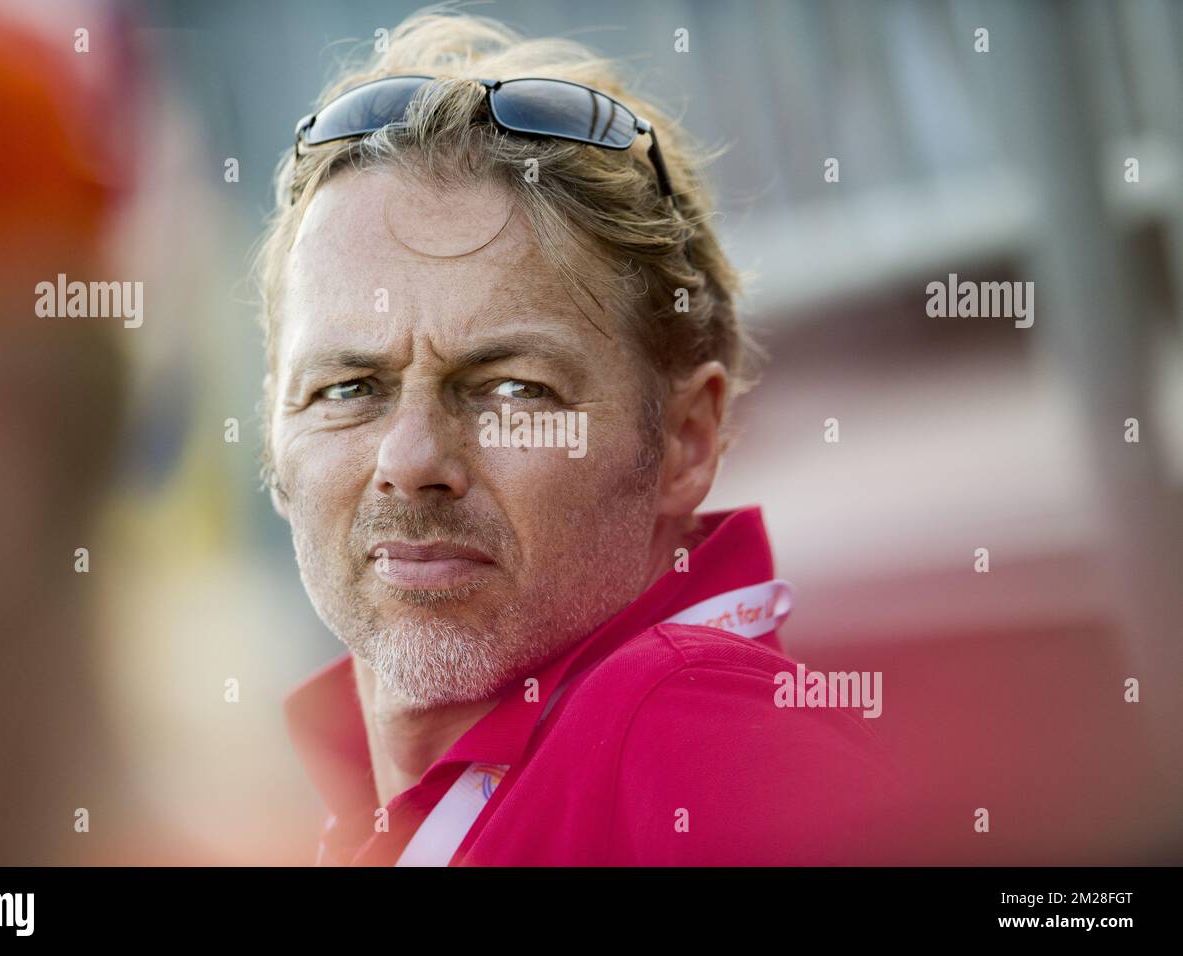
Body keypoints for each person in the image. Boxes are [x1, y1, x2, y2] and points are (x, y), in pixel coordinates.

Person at [256, 9, 895, 865]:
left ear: (685, 439)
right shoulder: (376, 807)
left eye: (513, 388)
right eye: (348, 388)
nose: (411, 461)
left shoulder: (690, 726)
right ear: (273, 432)